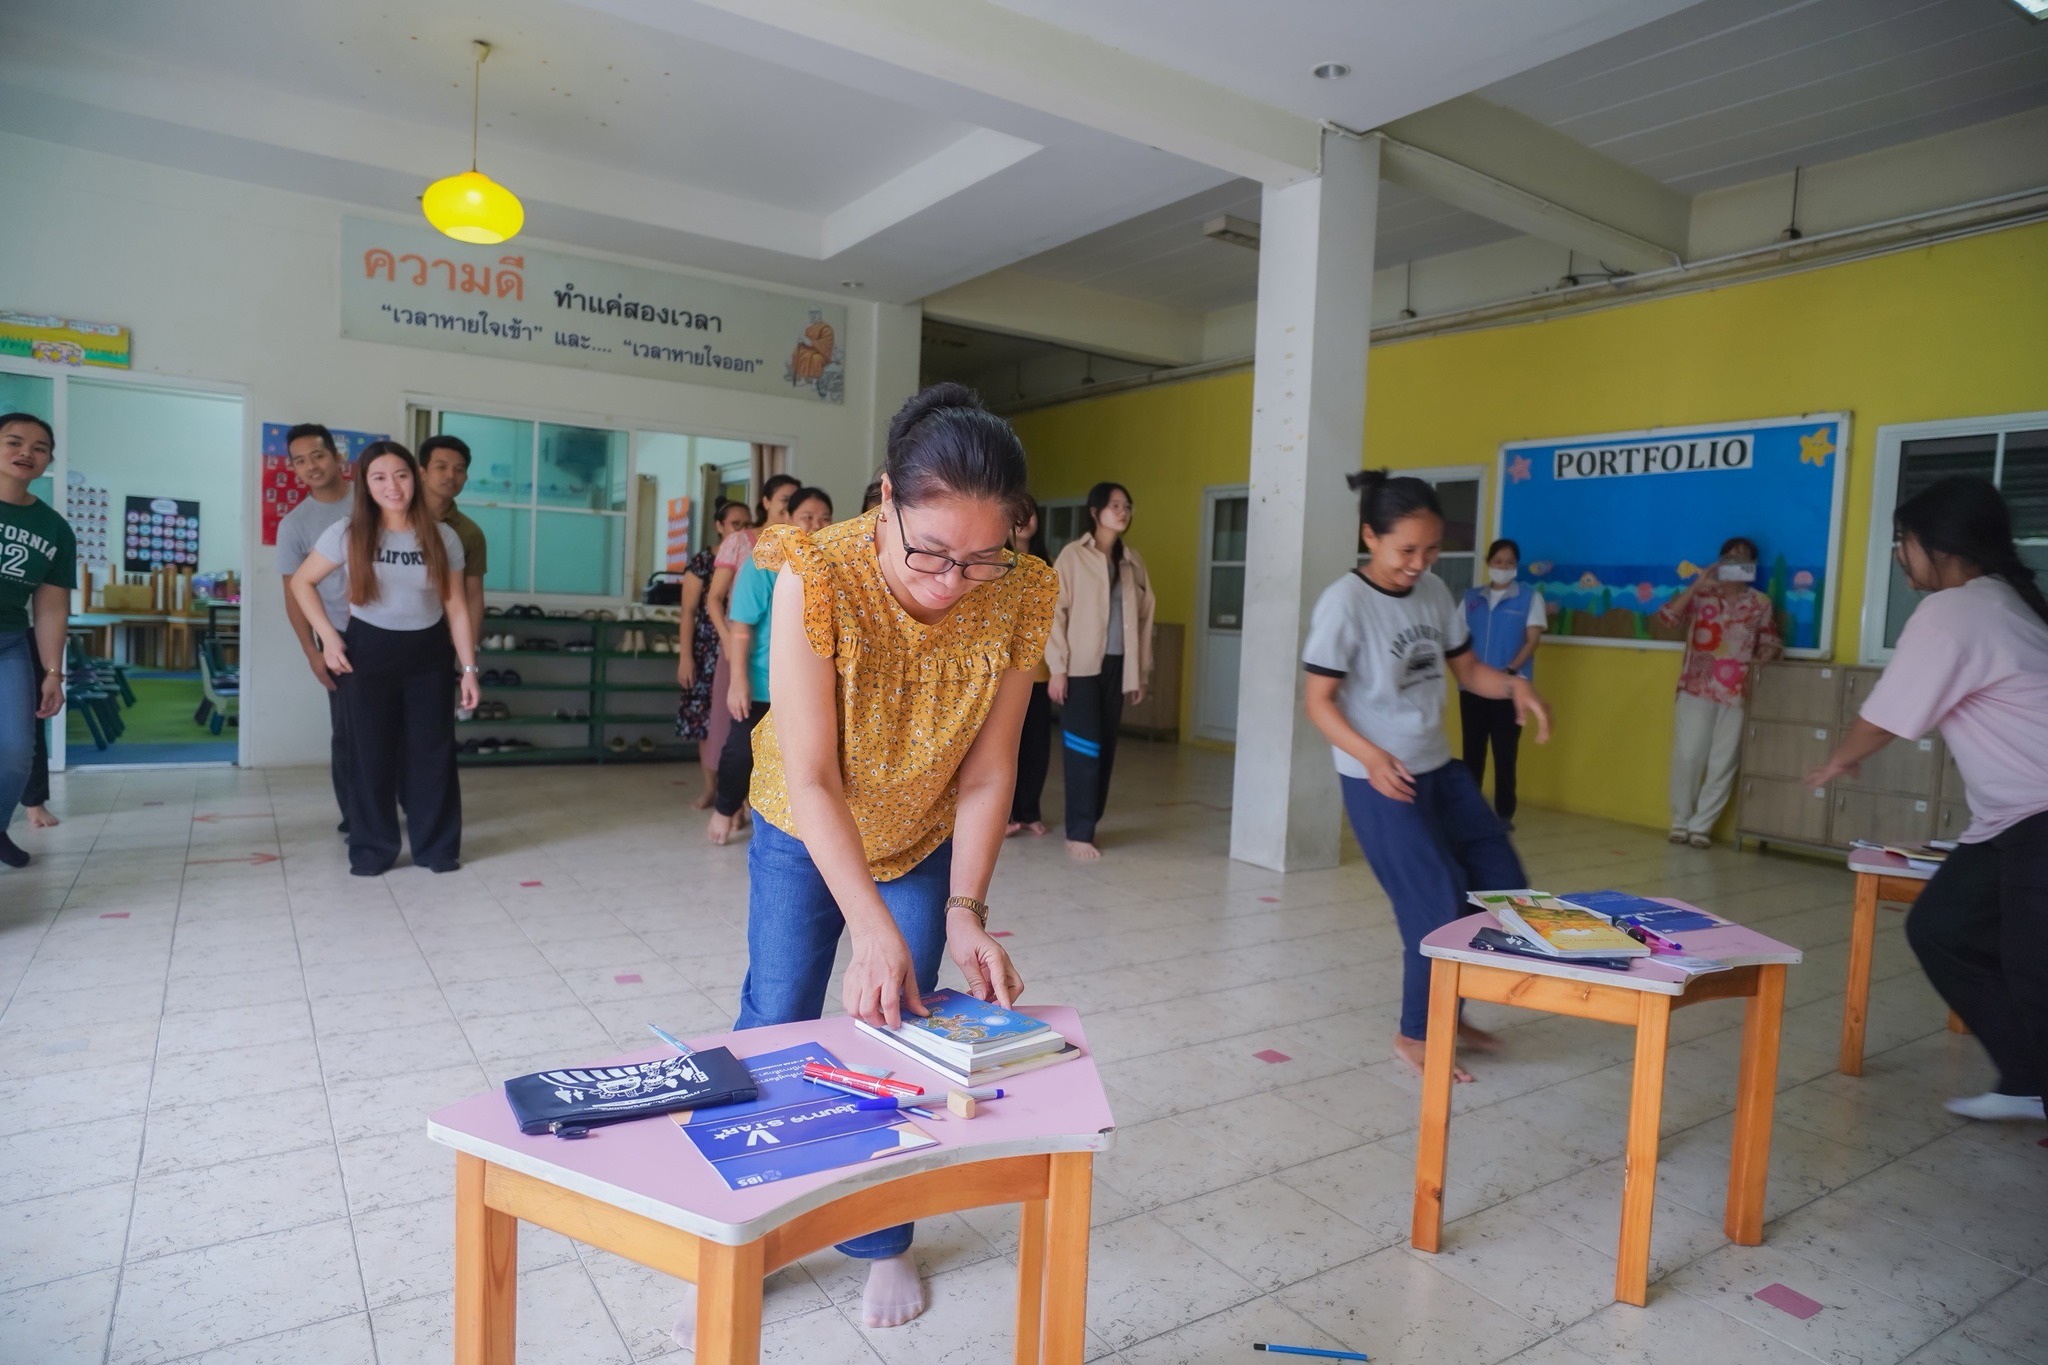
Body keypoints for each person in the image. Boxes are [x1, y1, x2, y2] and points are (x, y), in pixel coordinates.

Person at [673, 384, 1046, 1340]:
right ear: (886, 497)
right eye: (930, 551)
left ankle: (882, 1239)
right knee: (776, 1016)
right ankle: (742, 1231)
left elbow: (990, 768)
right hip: (807, 823)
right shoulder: (816, 569)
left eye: (979, 557)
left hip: (921, 828)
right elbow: (811, 770)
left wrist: (964, 904)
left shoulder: (1023, 588)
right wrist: (872, 925)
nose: (952, 579)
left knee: (901, 1026)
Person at [1805, 477, 2048, 1123]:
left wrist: (1840, 755)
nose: (1899, 555)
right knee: (1943, 928)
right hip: (2010, 821)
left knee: (2035, 971)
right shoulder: (1995, 599)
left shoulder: (1959, 608)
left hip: (2039, 819)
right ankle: (2027, 1078)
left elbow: (1890, 711)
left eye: (1901, 541)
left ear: (1936, 544)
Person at [1303, 469, 1551, 1082]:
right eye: (1406, 549)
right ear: (1371, 536)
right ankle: (1416, 1034)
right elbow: (1318, 702)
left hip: (1439, 768)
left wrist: (1516, 684)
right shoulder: (1345, 602)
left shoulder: (1436, 592)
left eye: (1431, 549)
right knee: (1436, 905)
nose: (1419, 563)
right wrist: (1370, 755)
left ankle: (1454, 1011)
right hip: (1380, 780)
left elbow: (1469, 672)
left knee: (1501, 883)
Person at [289, 442, 480, 876]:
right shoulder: (347, 532)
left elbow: (455, 606)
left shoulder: (443, 536)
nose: (392, 486)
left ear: (414, 477)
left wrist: (468, 669)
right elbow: (302, 584)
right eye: (379, 477)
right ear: (365, 483)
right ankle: (373, 848)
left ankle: (437, 848)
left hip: (428, 653)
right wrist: (328, 639)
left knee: (432, 753)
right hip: (368, 652)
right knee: (370, 753)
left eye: (401, 475)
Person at [708, 487, 834, 845]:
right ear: (788, 520)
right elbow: (742, 627)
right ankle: (724, 808)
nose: (815, 525)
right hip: (763, 680)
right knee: (740, 750)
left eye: (824, 518)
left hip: (810, 685)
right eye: (807, 517)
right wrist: (738, 681)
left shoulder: (833, 566)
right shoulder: (763, 564)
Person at [1046, 481, 1155, 860]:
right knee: (1083, 748)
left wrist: (1139, 672)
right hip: (1080, 668)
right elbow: (1054, 615)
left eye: (1127, 505)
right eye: (1114, 505)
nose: (1122, 512)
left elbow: (1144, 617)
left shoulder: (1131, 561)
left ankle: (1089, 824)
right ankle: (1078, 832)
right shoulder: (1073, 557)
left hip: (1117, 666)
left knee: (1106, 748)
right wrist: (1057, 668)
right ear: (1095, 512)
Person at [1654, 535, 1782, 848]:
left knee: (1723, 761)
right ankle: (1680, 821)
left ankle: (1701, 827)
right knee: (1688, 755)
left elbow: (1770, 641)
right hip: (1696, 686)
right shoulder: (1702, 595)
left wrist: (1767, 654)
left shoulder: (1760, 602)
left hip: (1737, 690)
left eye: (1744, 558)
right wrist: (1699, 584)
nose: (1737, 562)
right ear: (1720, 560)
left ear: (1752, 565)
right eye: (1731, 557)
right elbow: (1667, 618)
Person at [702, 472, 799, 814]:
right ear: (768, 502)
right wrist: (729, 641)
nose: (790, 507)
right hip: (741, 645)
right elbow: (714, 599)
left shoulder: (804, 548)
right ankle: (724, 801)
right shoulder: (744, 543)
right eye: (785, 499)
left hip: (784, 661)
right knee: (737, 734)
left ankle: (753, 803)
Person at [274, 423, 355, 830]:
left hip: (393, 628)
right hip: (339, 635)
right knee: (348, 732)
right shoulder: (295, 524)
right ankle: (354, 815)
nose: (311, 466)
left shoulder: (372, 501)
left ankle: (406, 804)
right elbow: (293, 593)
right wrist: (313, 651)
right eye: (300, 461)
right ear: (293, 468)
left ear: (338, 457)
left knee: (399, 727)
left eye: (318, 456)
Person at [0, 413, 72, 871]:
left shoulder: (55, 529)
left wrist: (52, 672)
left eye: (40, 447)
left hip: (9, 644)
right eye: (14, 442)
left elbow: (50, 608)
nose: (27, 452)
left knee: (15, 754)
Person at [1459, 538, 1547, 830]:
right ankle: (1471, 812)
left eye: (1509, 563)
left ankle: (1504, 815)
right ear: (1488, 564)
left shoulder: (1529, 598)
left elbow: (1533, 640)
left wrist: (1510, 671)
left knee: (1505, 754)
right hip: (1472, 689)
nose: (1503, 567)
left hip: (1511, 690)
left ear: (1516, 566)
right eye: (1498, 562)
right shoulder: (1471, 598)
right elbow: (1457, 640)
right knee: (1472, 752)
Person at [676, 499, 752, 809]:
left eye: (747, 523)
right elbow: (688, 610)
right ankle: (711, 788)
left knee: (737, 719)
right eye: (735, 524)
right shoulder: (704, 562)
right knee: (707, 721)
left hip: (738, 645)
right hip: (707, 647)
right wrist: (685, 656)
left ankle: (741, 793)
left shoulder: (752, 553)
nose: (742, 530)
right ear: (719, 526)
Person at [1007, 494, 1053, 837]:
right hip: (1005, 674)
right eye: (1018, 515)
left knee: (1037, 744)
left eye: (1031, 514)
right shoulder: (996, 561)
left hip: (1041, 672)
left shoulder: (1046, 565)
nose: (1026, 521)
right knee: (1006, 745)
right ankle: (1006, 816)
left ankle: (1030, 809)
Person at [419, 434, 488, 655]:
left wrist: (471, 648)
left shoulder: (470, 533)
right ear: (422, 473)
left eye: (459, 470)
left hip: (442, 636)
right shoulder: (395, 519)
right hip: (390, 632)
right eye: (441, 467)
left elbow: (474, 594)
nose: (451, 475)